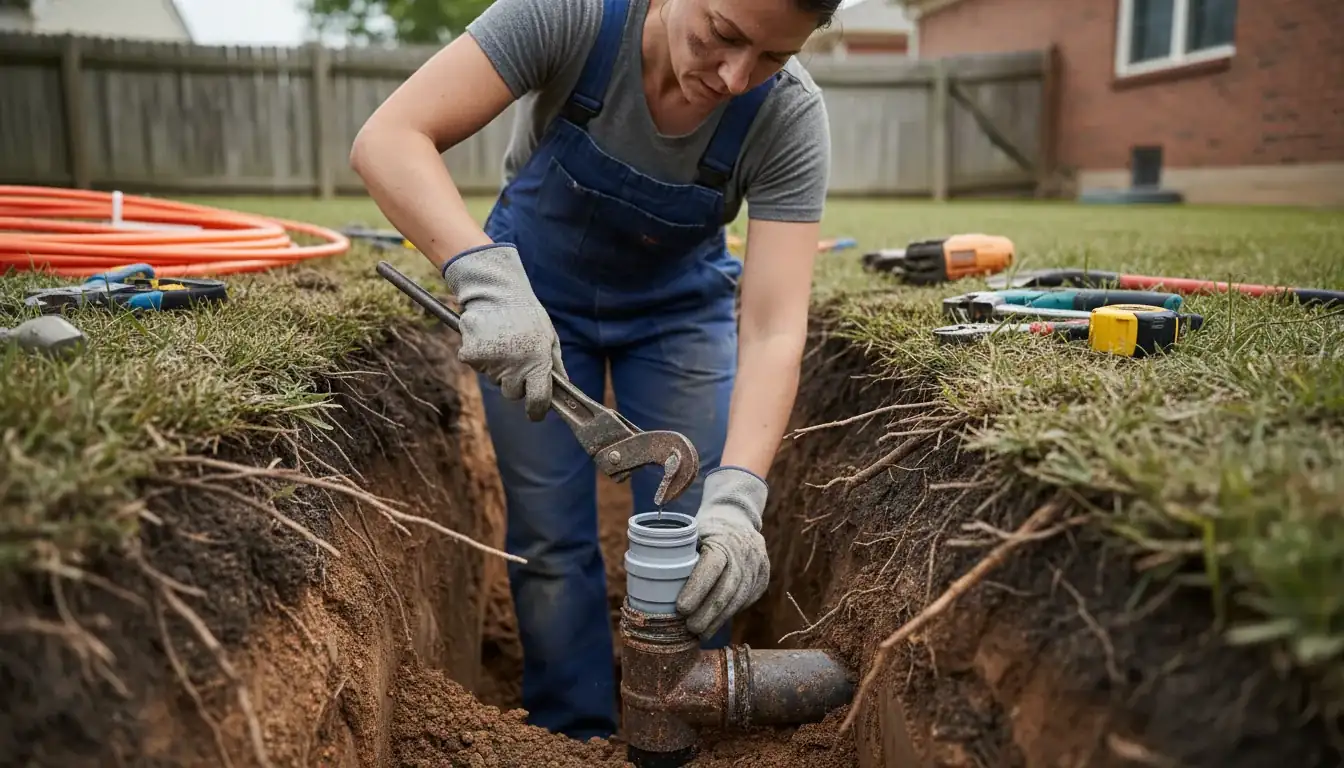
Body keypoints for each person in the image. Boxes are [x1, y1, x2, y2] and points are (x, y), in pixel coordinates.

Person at [350, 0, 837, 742]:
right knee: (549, 539)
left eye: (772, 58)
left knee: (699, 536)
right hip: (531, 300)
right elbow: (389, 138)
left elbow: (772, 328)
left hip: (678, 311)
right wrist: (483, 279)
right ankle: (568, 735)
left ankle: (682, 729)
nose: (738, 77)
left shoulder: (791, 116)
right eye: (724, 35)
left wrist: (740, 500)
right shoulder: (569, 16)